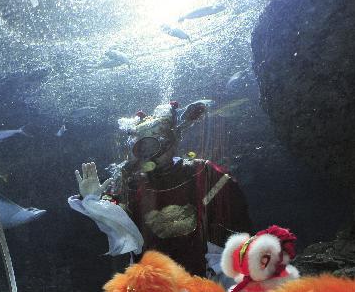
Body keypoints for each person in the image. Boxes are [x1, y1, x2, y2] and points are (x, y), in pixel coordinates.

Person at [71, 100, 252, 280]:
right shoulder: (132, 185)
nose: (153, 154)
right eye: (145, 148)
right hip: (153, 286)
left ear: (172, 142)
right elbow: (114, 221)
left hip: (207, 280)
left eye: (158, 143)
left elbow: (235, 221)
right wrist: (92, 199)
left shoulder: (201, 173)